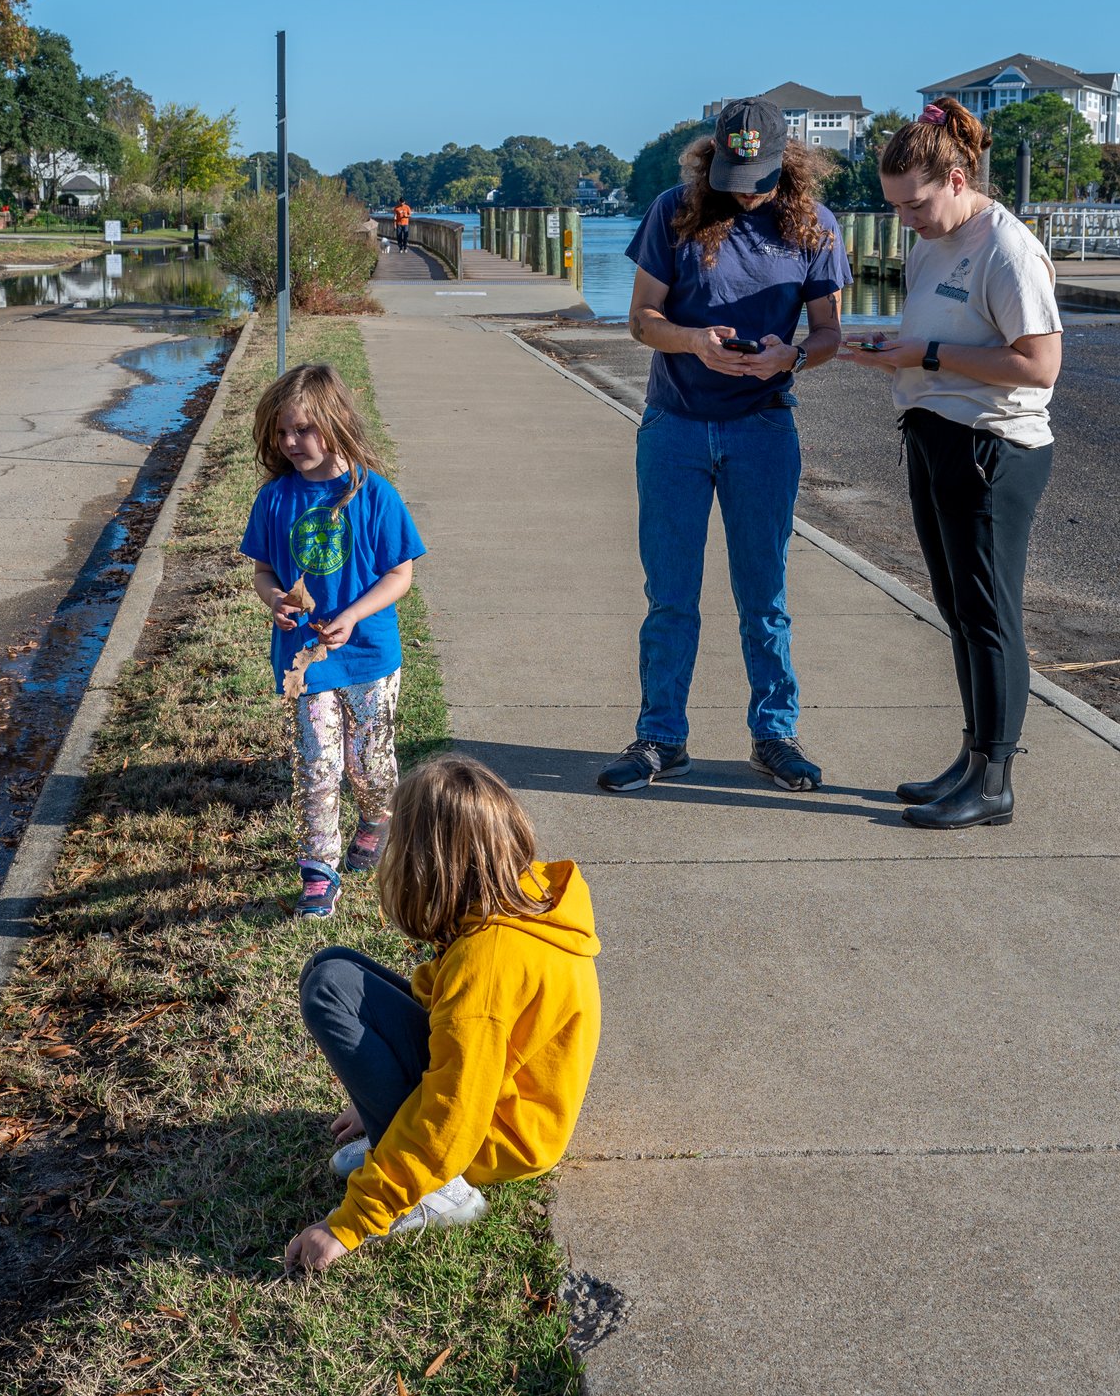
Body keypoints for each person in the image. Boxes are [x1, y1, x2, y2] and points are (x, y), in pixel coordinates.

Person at [598, 97, 848, 796]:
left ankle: (774, 734)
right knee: (670, 595)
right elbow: (642, 320)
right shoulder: (675, 210)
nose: (745, 191)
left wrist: (789, 357)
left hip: (763, 427)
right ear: (713, 159)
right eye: (734, 176)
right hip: (675, 424)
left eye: (760, 177)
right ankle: (660, 738)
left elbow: (830, 334)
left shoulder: (815, 226)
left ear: (786, 163)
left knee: (763, 597)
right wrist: (692, 341)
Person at [284, 754, 601, 1274]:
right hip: (508, 1106)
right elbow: (438, 1013)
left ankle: (438, 1195)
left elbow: (453, 1112)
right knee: (334, 967)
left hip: (495, 1137)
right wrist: (374, 1100)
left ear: (427, 863)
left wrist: (350, 1222)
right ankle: (391, 1129)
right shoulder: (521, 898)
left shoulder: (487, 964)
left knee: (329, 988)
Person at [837, 100, 1063, 827]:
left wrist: (926, 355)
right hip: (935, 432)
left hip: (993, 446)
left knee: (991, 613)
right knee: (957, 609)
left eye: (915, 203)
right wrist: (893, 348)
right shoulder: (933, 241)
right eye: (894, 205)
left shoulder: (1007, 247)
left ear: (958, 178)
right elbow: (938, 334)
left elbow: (1039, 363)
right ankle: (970, 759)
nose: (906, 218)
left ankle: (994, 779)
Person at [242, 364, 427, 916]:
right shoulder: (275, 498)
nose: (290, 442)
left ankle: (375, 817)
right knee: (317, 761)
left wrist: (353, 613)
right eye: (281, 432)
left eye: (302, 429)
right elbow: (262, 572)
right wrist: (274, 599)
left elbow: (401, 574)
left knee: (371, 764)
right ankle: (319, 868)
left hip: (369, 654)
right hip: (306, 660)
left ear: (335, 422)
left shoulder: (373, 495)